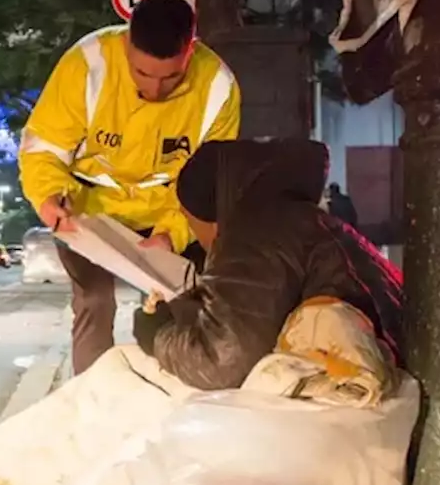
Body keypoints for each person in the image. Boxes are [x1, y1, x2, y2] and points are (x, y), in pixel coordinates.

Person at [0, 137, 404, 485]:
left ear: (215, 213)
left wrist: (157, 334)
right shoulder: (305, 219)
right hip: (345, 408)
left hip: (319, 421)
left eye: (195, 228)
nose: (205, 242)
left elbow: (219, 363)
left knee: (120, 376)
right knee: (133, 380)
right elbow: (258, 320)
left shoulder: (258, 227)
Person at [18, 0, 241, 376]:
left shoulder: (218, 87)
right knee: (94, 300)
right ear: (126, 45)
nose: (155, 90)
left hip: (167, 214)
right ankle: (93, 399)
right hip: (87, 214)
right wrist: (49, 198)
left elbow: (212, 181)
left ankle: (172, 398)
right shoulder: (88, 65)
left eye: (171, 76)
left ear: (192, 51)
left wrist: (172, 234)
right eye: (142, 74)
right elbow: (44, 148)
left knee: (181, 303)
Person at [132, 139, 403, 389]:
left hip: (368, 389)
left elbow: (220, 362)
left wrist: (158, 336)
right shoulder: (295, 218)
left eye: (187, 219)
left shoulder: (255, 234)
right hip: (395, 369)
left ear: (207, 217)